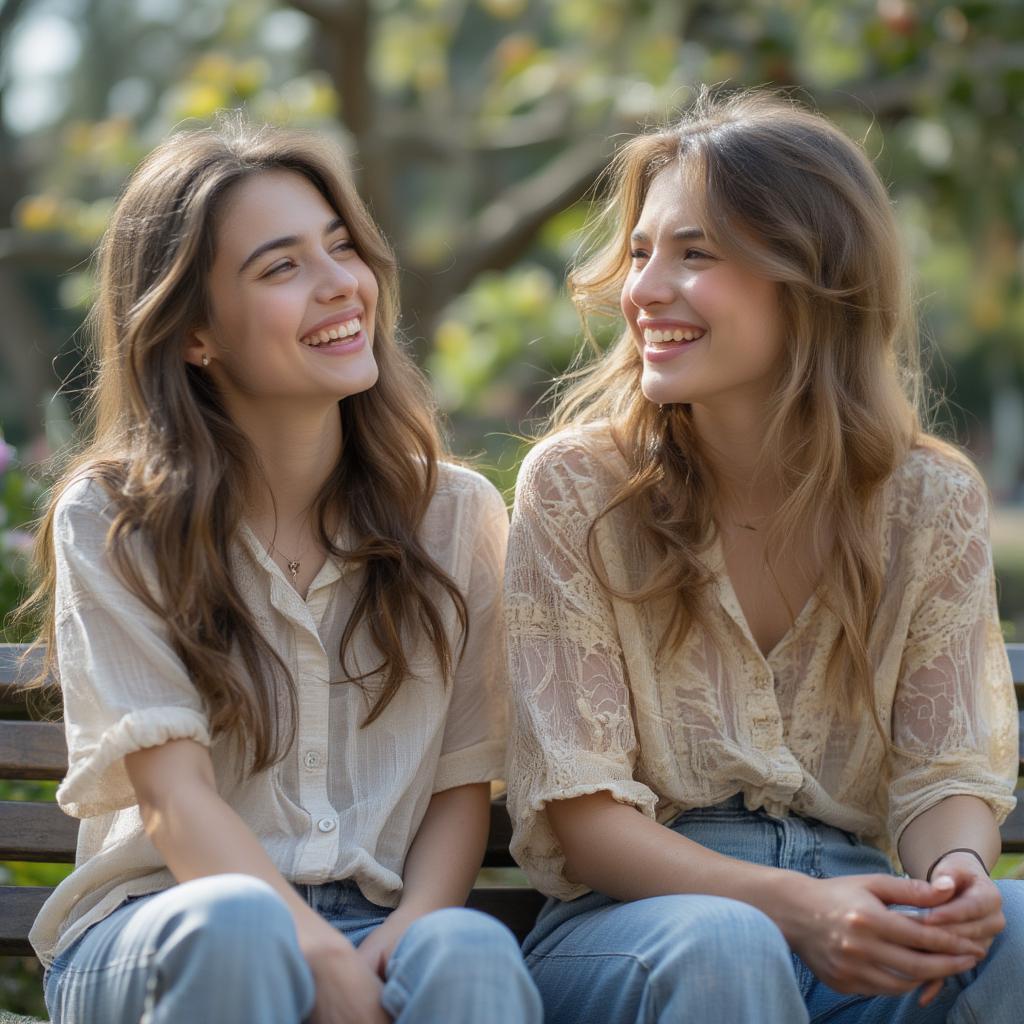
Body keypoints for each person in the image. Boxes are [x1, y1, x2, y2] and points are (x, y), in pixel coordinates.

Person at [504, 87, 1022, 1024]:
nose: (644, 290)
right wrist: (797, 907)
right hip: (642, 926)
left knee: (1019, 925)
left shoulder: (929, 502)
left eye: (694, 254)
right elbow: (582, 820)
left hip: (859, 910)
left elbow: (947, 773)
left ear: (814, 275)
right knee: (725, 943)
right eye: (639, 252)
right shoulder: (577, 488)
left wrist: (954, 879)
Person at [20, 116, 541, 1024]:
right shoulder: (114, 519)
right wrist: (318, 961)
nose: (342, 285)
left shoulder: (456, 516)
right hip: (164, 927)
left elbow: (464, 780)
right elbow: (174, 799)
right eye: (281, 267)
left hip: (374, 920)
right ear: (193, 335)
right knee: (240, 927)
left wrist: (413, 921)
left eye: (341, 248)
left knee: (466, 948)